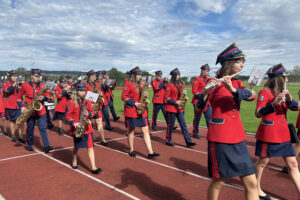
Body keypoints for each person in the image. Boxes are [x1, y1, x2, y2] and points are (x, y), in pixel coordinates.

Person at [198, 43, 258, 200]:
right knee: (219, 181)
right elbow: (199, 107)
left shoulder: (237, 83)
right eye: (239, 61)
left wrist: (233, 89)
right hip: (221, 138)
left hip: (238, 137)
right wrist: (205, 92)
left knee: (252, 183)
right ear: (229, 63)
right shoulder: (213, 81)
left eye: (243, 61)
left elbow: (252, 95)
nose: (242, 64)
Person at [255, 63, 300, 199]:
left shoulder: (283, 92)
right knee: (263, 162)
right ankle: (256, 188)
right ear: (278, 79)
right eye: (285, 77)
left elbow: (295, 107)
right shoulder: (265, 92)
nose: (287, 80)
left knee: (292, 163)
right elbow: (258, 113)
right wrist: (273, 104)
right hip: (268, 134)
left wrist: (290, 100)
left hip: (283, 133)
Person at [121, 66, 160, 158]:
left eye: (140, 74)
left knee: (145, 130)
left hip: (141, 110)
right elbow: (123, 97)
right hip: (132, 111)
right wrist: (134, 103)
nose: (140, 76)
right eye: (138, 75)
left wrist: (145, 95)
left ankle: (150, 152)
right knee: (131, 130)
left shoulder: (141, 84)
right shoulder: (128, 84)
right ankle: (131, 149)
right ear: (134, 75)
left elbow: (141, 95)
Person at [66, 81, 102, 174]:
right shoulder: (72, 102)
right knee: (77, 147)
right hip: (78, 128)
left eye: (84, 91)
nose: (83, 92)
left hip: (87, 127)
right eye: (81, 91)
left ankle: (93, 167)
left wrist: (89, 114)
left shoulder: (87, 101)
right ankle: (74, 160)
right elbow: (68, 116)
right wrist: (74, 123)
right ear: (76, 91)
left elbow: (94, 112)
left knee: (90, 147)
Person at [17, 69, 53, 153]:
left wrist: (43, 98)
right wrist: (21, 107)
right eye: (36, 76)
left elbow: (48, 97)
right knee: (30, 128)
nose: (38, 78)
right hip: (29, 109)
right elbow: (18, 97)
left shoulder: (43, 86)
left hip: (41, 110)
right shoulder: (25, 85)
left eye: (39, 76)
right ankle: (29, 144)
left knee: (43, 128)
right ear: (32, 75)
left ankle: (47, 146)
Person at [164, 68, 197, 147]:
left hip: (179, 108)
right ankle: (168, 140)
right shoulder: (169, 85)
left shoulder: (180, 85)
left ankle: (188, 141)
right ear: (174, 76)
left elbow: (180, 95)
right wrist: (175, 102)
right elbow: (167, 97)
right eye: (177, 75)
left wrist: (184, 93)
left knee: (183, 124)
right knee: (171, 125)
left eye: (179, 75)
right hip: (172, 108)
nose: (179, 77)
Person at [2, 70, 25, 143]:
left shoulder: (20, 83)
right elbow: (6, 90)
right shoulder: (6, 83)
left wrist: (21, 86)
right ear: (10, 77)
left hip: (19, 106)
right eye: (13, 76)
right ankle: (13, 136)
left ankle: (21, 136)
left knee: (21, 122)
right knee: (12, 122)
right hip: (10, 106)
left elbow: (23, 92)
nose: (15, 77)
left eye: (16, 76)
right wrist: (14, 85)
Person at [86, 70, 108, 145]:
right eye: (93, 76)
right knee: (88, 123)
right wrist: (97, 96)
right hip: (88, 106)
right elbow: (86, 96)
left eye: (95, 76)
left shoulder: (96, 84)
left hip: (97, 106)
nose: (95, 78)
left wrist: (100, 94)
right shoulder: (85, 85)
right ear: (89, 77)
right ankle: (89, 138)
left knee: (99, 122)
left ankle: (103, 139)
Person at [192, 64, 212, 139]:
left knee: (209, 118)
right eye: (207, 71)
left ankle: (211, 133)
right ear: (202, 70)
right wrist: (202, 96)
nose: (208, 72)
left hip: (207, 102)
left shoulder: (208, 79)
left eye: (209, 71)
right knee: (197, 118)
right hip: (198, 102)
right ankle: (195, 132)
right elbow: (194, 91)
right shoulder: (197, 79)